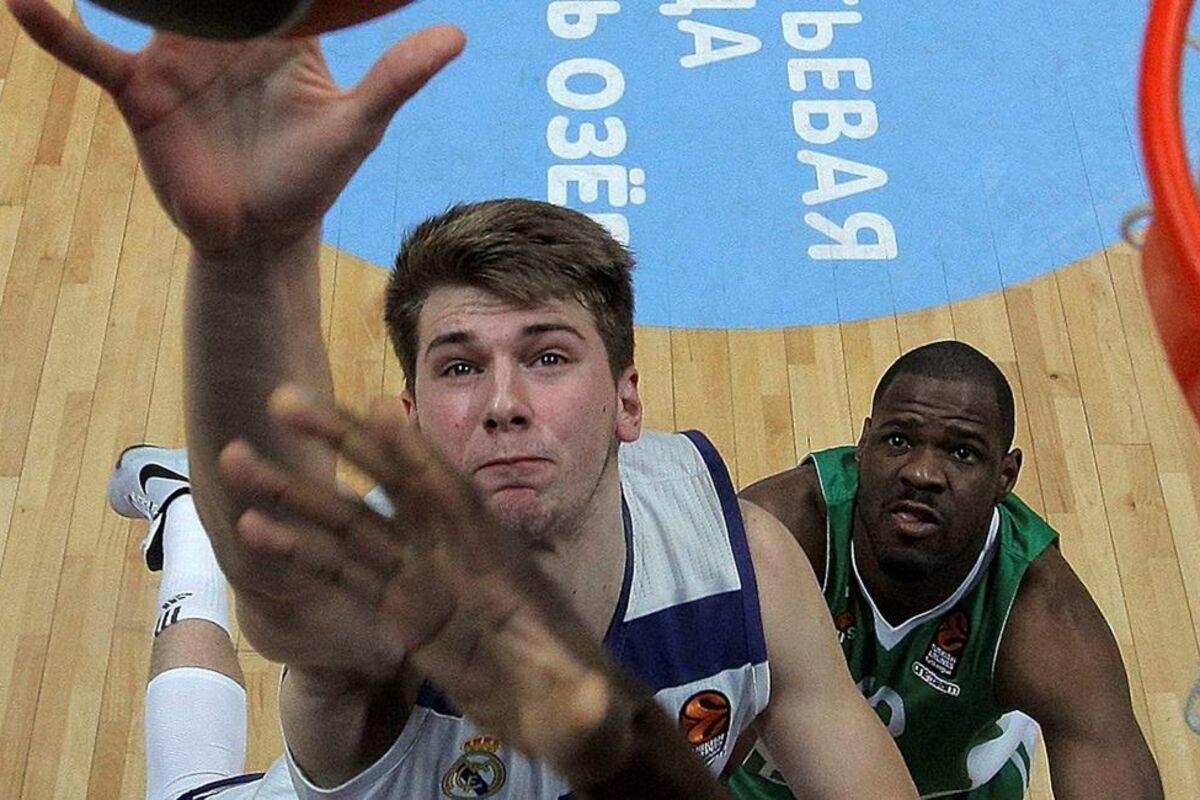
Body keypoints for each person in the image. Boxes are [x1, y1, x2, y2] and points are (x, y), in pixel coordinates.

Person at [9, 0, 921, 796]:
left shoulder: (743, 571)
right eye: (457, 366)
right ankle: (187, 523)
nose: (503, 401)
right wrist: (248, 257)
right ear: (411, 423)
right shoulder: (382, 606)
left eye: (549, 356)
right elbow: (277, 567)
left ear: (628, 403)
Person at [726, 341, 1164, 799]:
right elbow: (693, 739)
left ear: (1005, 476)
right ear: (863, 445)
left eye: (962, 452)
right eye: (899, 440)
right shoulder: (775, 534)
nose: (922, 473)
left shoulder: (1039, 615)